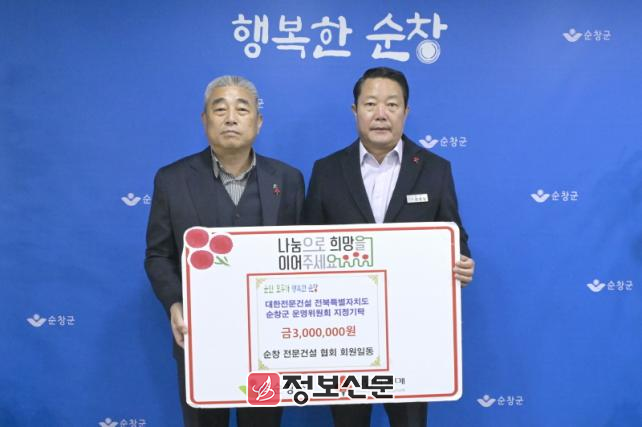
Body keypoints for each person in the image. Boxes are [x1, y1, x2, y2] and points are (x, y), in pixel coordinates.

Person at [303, 66, 475, 427]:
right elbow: (307, 245)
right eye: (370, 104)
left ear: (406, 112)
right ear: (355, 111)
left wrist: (463, 260)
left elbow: (454, 234)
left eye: (392, 104)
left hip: (412, 328)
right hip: (345, 331)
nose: (381, 114)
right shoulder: (326, 171)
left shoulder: (435, 169)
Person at [145, 75, 304, 427]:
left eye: (242, 109)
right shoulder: (172, 180)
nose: (231, 118)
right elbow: (158, 255)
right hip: (200, 335)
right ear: (205, 120)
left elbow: (300, 255)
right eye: (220, 109)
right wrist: (175, 303)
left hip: (269, 338)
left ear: (258, 122)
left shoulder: (288, 179)